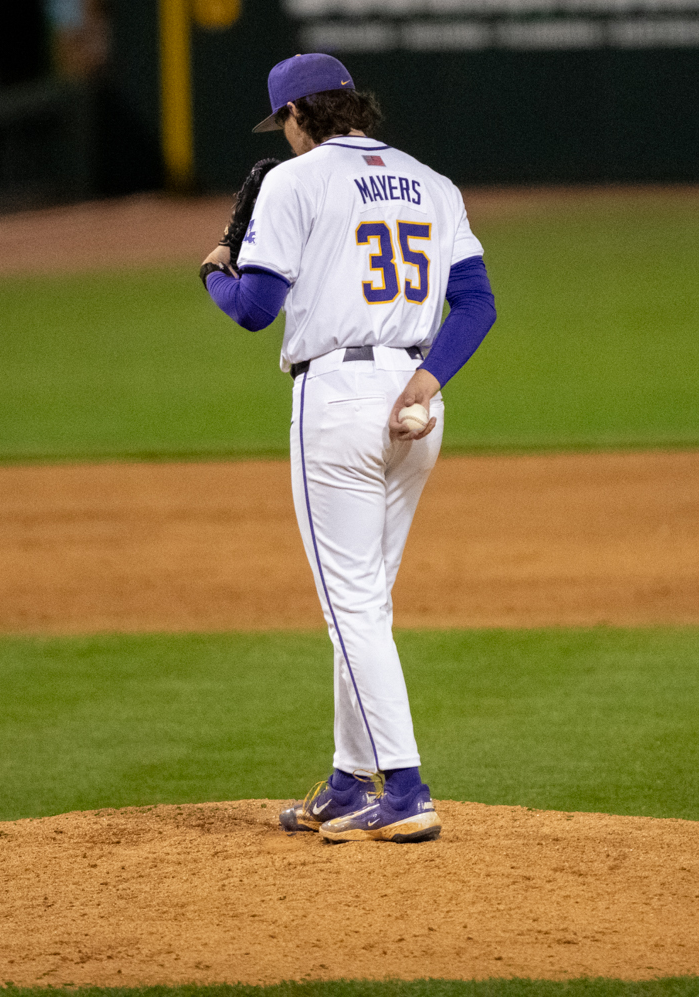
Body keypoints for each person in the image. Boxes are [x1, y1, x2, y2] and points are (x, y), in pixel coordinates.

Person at [199, 53, 498, 844]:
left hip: (336, 403)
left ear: (298, 116)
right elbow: (476, 303)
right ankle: (346, 779)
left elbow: (257, 306)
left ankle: (403, 787)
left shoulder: (293, 182)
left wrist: (213, 276)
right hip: (415, 403)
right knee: (367, 600)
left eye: (285, 124)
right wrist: (428, 381)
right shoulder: (434, 183)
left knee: (352, 607)